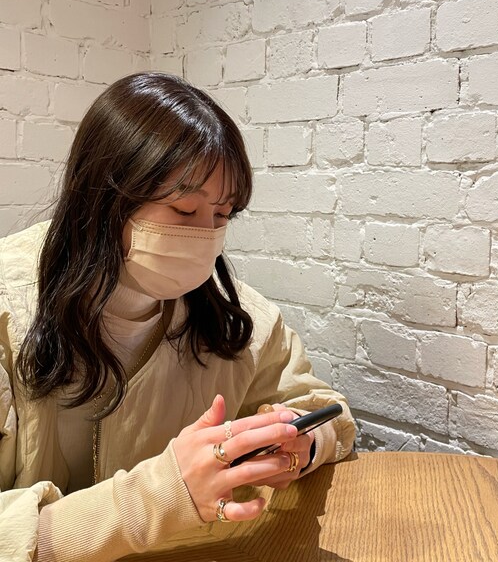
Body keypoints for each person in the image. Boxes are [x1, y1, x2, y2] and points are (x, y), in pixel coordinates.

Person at [0, 72, 356, 562]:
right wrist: (158, 498)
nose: (206, 235)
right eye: (185, 210)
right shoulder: (10, 309)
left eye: (223, 214)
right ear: (103, 199)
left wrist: (303, 440)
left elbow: (327, 411)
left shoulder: (239, 320)